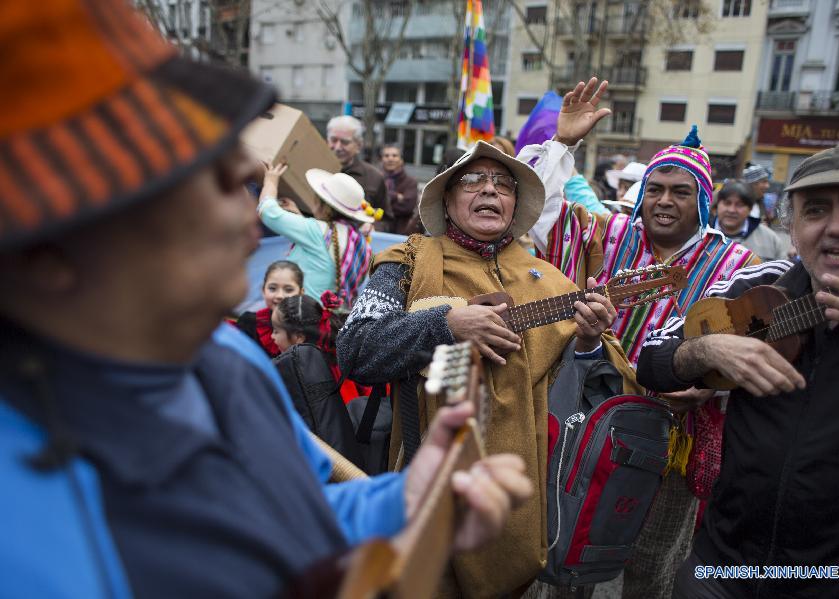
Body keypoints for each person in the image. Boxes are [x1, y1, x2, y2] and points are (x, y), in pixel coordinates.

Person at [0, 1, 533, 596]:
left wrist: (400, 501)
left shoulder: (229, 360)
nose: (241, 172)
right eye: (176, 162)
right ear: (43, 252)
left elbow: (302, 522)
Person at [337, 140, 640, 597]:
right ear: (447, 199)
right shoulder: (408, 262)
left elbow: (594, 395)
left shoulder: (553, 279)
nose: (489, 191)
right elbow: (356, 348)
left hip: (528, 503)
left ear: (516, 204)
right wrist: (445, 324)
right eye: (473, 180)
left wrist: (589, 341)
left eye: (502, 184)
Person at [521, 78, 760, 599]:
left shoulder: (740, 266)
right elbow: (538, 213)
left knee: (652, 566)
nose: (664, 201)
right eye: (655, 189)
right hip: (590, 422)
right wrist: (562, 144)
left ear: (703, 199)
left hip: (675, 435)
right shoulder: (608, 235)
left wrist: (714, 387)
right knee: (566, 545)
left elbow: (762, 340)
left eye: (680, 191)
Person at [637, 144, 839, 598]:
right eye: (816, 210)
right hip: (723, 572)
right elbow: (652, 359)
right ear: (792, 230)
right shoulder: (760, 286)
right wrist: (709, 350)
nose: (838, 228)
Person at [257, 163, 372, 307]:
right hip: (332, 322)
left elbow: (267, 211)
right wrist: (299, 217)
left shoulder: (315, 231)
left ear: (323, 205)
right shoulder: (361, 242)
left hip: (301, 315)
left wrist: (271, 180)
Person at [327, 115, 391, 231]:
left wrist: (373, 227)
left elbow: (386, 219)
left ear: (359, 146)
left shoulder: (374, 177)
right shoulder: (315, 172)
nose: (337, 147)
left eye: (345, 142)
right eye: (333, 140)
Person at [235, 260, 304, 357]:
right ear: (263, 290)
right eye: (272, 288)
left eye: (288, 290)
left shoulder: (309, 325)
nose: (280, 295)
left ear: (301, 293)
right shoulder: (249, 323)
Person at [712, 181, 790, 261]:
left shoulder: (770, 240)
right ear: (717, 205)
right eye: (727, 203)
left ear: (750, 209)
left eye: (739, 205)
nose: (732, 210)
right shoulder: (701, 234)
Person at [380, 142, 421, 235]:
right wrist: (396, 196)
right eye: (386, 156)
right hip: (378, 231)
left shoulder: (411, 182)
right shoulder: (376, 179)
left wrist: (383, 203)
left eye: (394, 155)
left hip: (401, 234)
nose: (390, 159)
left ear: (401, 160)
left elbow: (407, 207)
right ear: (381, 159)